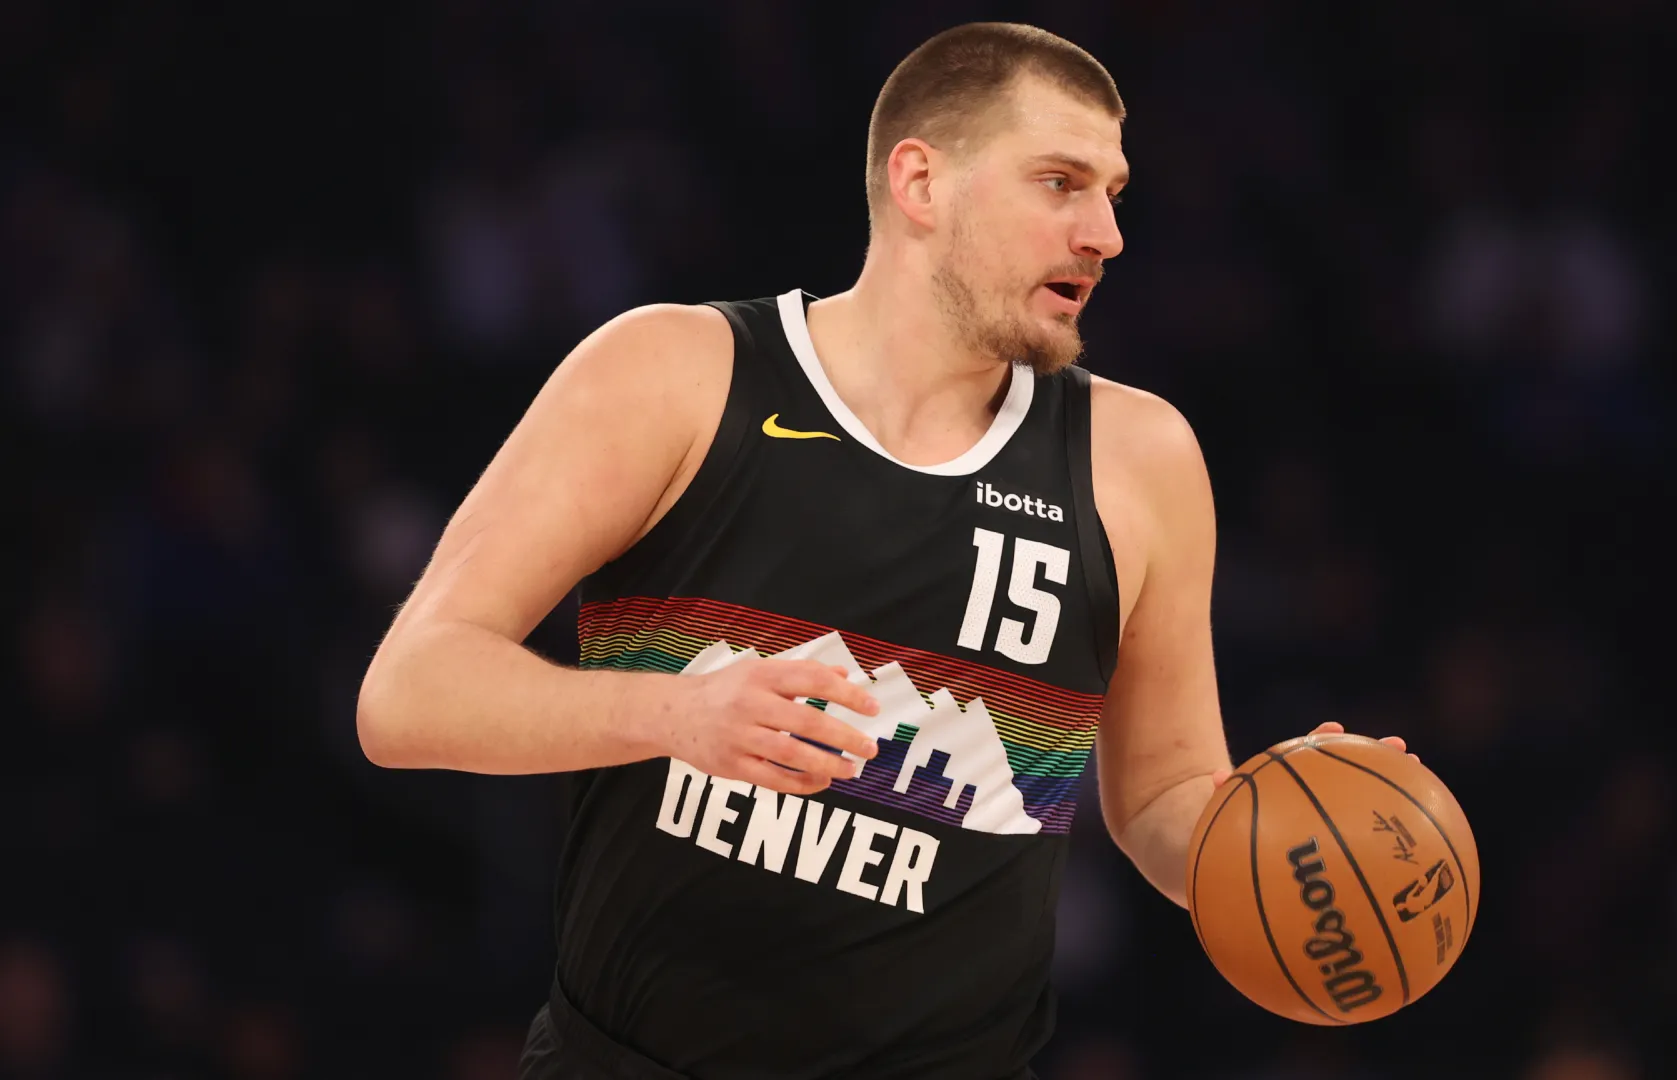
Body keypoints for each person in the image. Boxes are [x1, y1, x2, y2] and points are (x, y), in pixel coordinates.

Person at [357, 21, 1410, 1080]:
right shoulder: (675, 372)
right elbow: (408, 694)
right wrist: (674, 711)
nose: (1105, 233)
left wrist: (1270, 825)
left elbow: (1163, 795)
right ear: (920, 181)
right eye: (1060, 182)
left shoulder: (1139, 460)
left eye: (1113, 193)